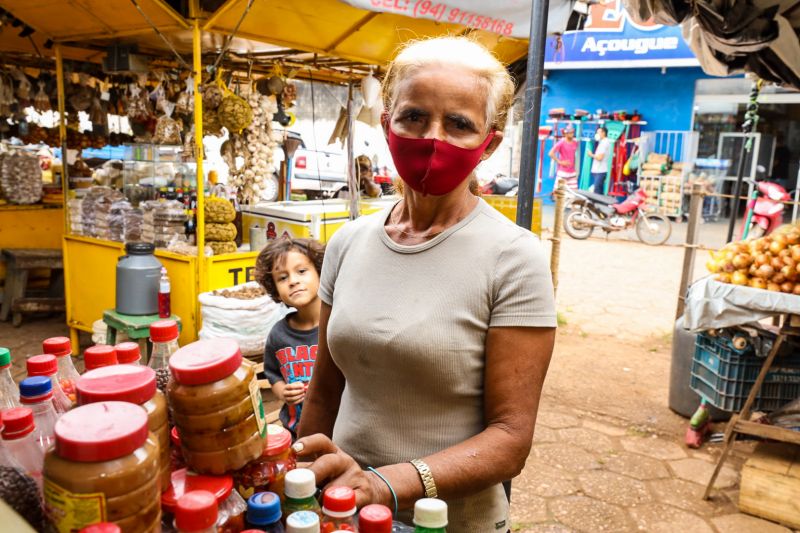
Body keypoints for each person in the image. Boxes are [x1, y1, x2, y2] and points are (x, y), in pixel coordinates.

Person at [294, 36, 557, 532]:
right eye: (414, 116)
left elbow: (510, 439)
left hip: (449, 521)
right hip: (342, 511)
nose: (432, 138)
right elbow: (324, 392)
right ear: (386, 120)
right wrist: (303, 480)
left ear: (489, 143)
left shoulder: (513, 257)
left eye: (459, 124)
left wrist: (386, 485)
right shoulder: (349, 242)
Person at [254, 236, 325, 440]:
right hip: (295, 433)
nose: (293, 281)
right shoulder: (278, 335)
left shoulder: (337, 327)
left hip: (337, 433)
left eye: (301, 271)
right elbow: (273, 374)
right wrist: (283, 391)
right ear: (275, 290)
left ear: (321, 272)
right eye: (282, 278)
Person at [588, 126, 611, 194]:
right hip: (598, 170)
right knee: (598, 189)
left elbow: (600, 157)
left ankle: (598, 204)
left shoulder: (604, 143)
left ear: (603, 133)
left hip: (601, 170)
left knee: (597, 189)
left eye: (598, 132)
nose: (597, 134)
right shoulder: (602, 142)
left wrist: (591, 154)